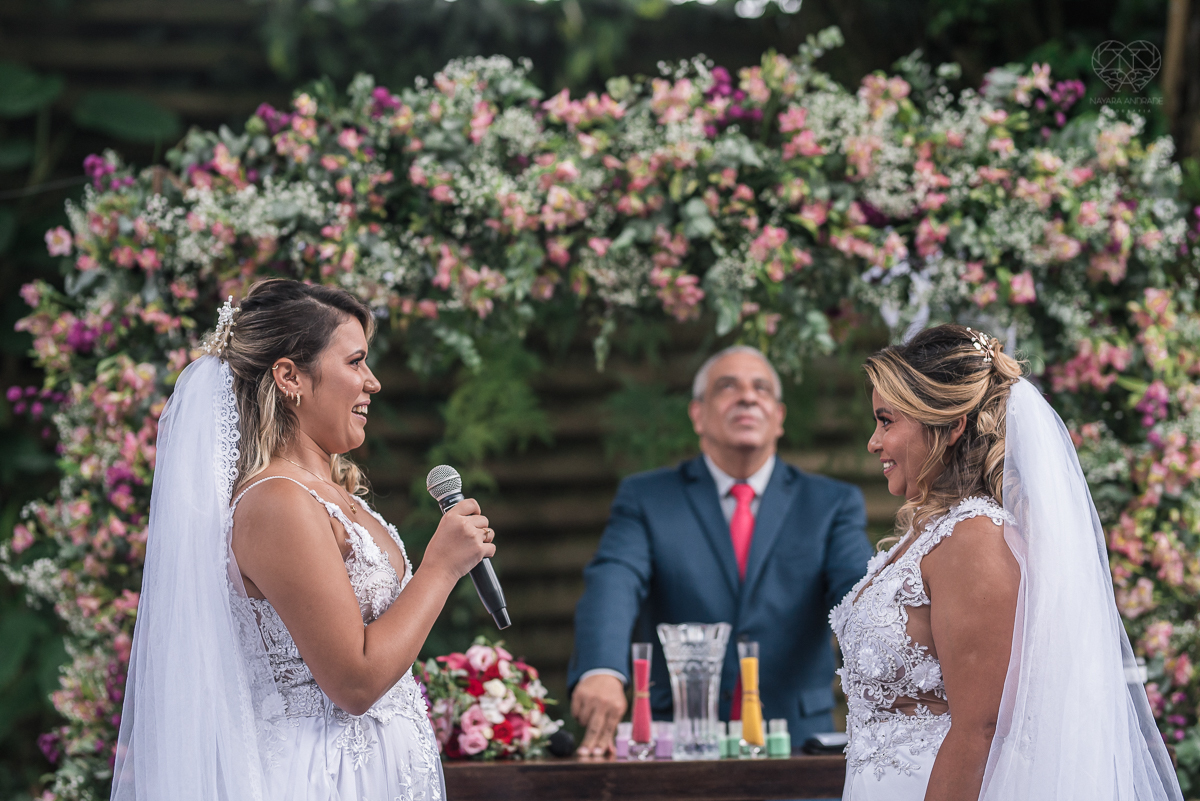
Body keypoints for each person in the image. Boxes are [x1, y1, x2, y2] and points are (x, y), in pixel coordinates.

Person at [112, 279, 496, 801]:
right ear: (290, 376)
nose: (373, 382)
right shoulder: (277, 503)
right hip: (325, 779)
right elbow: (354, 681)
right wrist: (441, 568)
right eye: (356, 362)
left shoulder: (332, 493)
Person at [832, 323, 1182, 800]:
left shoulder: (974, 539)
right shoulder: (929, 534)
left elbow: (982, 730)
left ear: (950, 425)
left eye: (887, 421)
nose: (874, 442)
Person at [569, 345, 873, 756]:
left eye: (761, 388)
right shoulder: (647, 498)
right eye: (727, 387)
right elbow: (614, 579)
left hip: (797, 745)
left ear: (779, 417)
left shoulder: (830, 503)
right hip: (680, 745)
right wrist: (602, 668)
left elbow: (859, 594)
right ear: (698, 414)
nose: (747, 397)